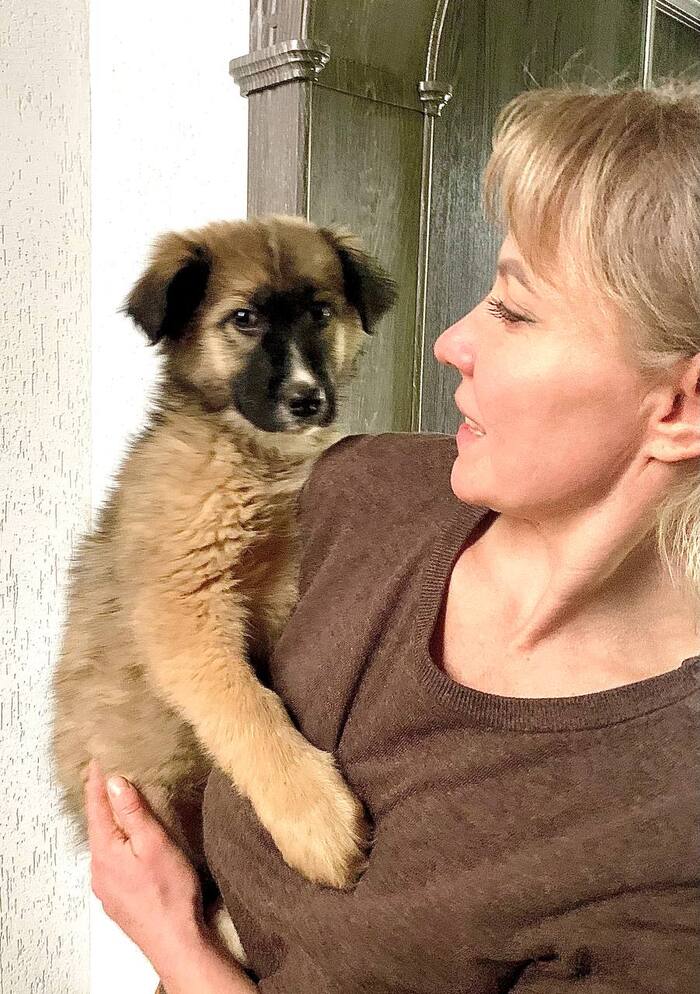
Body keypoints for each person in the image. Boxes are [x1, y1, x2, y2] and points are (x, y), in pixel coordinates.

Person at [84, 81, 700, 993]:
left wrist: (177, 945)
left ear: (681, 407)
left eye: (515, 309)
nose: (450, 341)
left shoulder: (667, 831)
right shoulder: (361, 490)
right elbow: (171, 627)